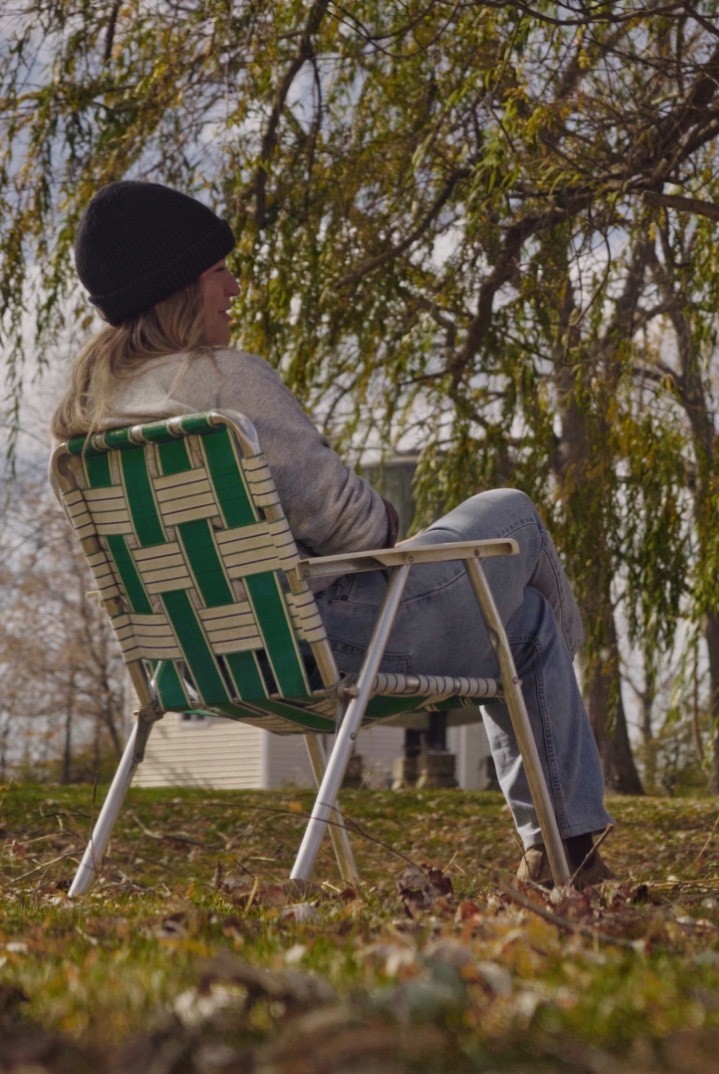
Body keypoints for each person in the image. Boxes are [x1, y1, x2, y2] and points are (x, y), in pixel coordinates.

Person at [50, 180, 614, 887]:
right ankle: (568, 838)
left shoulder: (90, 419)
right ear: (179, 289)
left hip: (201, 667)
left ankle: (571, 850)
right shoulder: (226, 382)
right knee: (514, 518)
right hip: (324, 648)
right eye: (217, 270)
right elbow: (360, 526)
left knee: (527, 620)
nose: (234, 285)